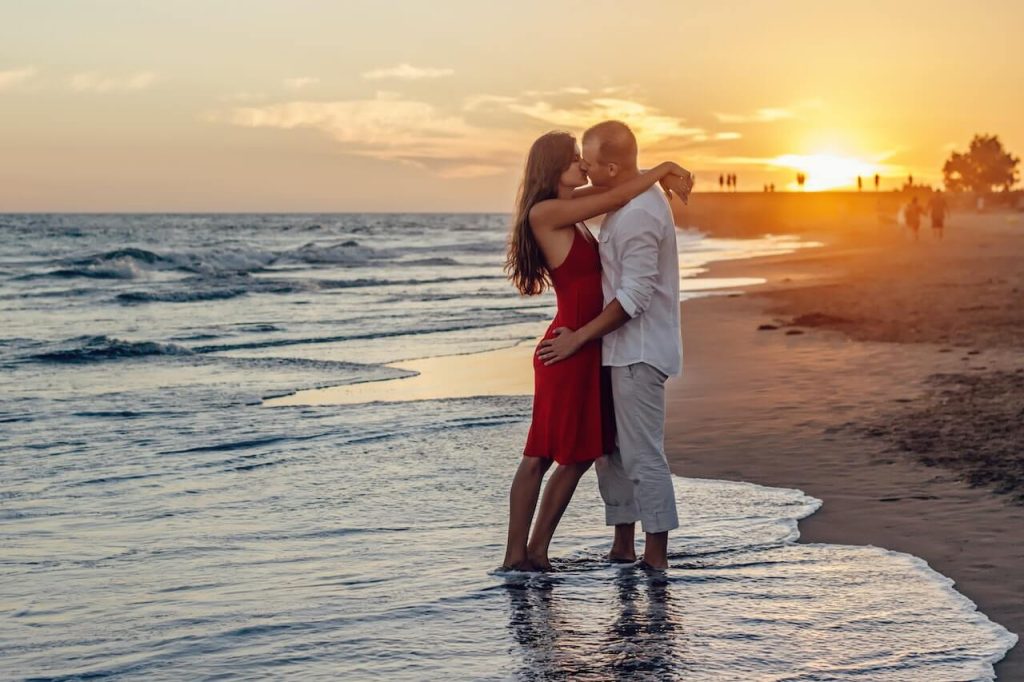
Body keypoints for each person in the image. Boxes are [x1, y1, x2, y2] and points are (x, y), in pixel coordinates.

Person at [501, 130, 692, 571]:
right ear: (554, 169)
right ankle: (518, 556)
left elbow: (614, 185)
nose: (582, 168)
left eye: (584, 160)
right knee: (543, 454)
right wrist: (661, 169)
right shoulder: (549, 212)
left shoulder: (571, 208)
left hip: (587, 345)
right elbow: (615, 190)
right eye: (574, 161)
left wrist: (650, 173)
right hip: (569, 346)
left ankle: (536, 553)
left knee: (581, 453)